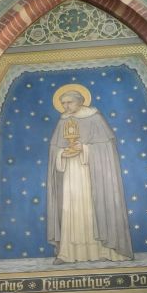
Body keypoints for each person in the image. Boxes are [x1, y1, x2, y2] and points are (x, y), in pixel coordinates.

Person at [46, 86, 132, 264]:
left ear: (80, 101)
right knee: (70, 209)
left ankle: (105, 250)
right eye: (63, 103)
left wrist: (85, 149)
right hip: (70, 172)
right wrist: (62, 153)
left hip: (92, 174)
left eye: (69, 102)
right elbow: (55, 148)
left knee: (93, 207)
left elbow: (107, 148)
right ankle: (68, 253)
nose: (65, 106)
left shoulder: (95, 118)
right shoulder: (63, 120)